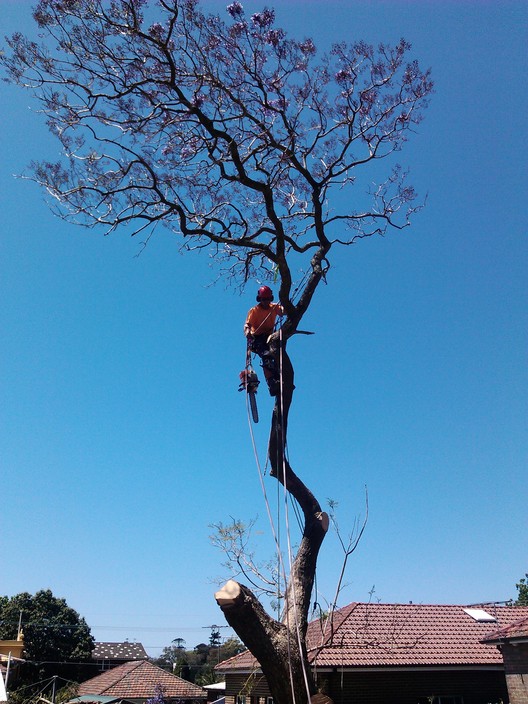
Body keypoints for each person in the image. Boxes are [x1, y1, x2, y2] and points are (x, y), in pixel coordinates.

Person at [244, 285, 284, 395]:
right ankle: (272, 383)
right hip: (256, 339)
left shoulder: (274, 307)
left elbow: (284, 311)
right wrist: (247, 332)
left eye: (267, 299)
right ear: (260, 299)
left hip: (269, 338)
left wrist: (286, 305)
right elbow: (247, 325)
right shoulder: (254, 311)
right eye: (263, 299)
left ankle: (279, 379)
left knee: (276, 357)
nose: (265, 302)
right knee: (266, 356)